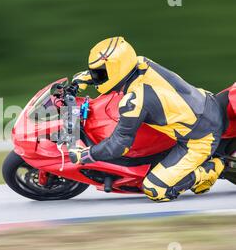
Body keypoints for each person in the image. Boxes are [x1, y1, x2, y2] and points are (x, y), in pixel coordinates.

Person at [68, 36, 225, 202]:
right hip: (204, 101)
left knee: (155, 189)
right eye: (96, 72)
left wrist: (86, 155)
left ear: (116, 70)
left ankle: (211, 170)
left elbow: (118, 146)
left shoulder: (135, 101)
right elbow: (119, 71)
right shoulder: (140, 62)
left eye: (100, 73)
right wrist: (89, 78)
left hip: (200, 137)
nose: (97, 76)